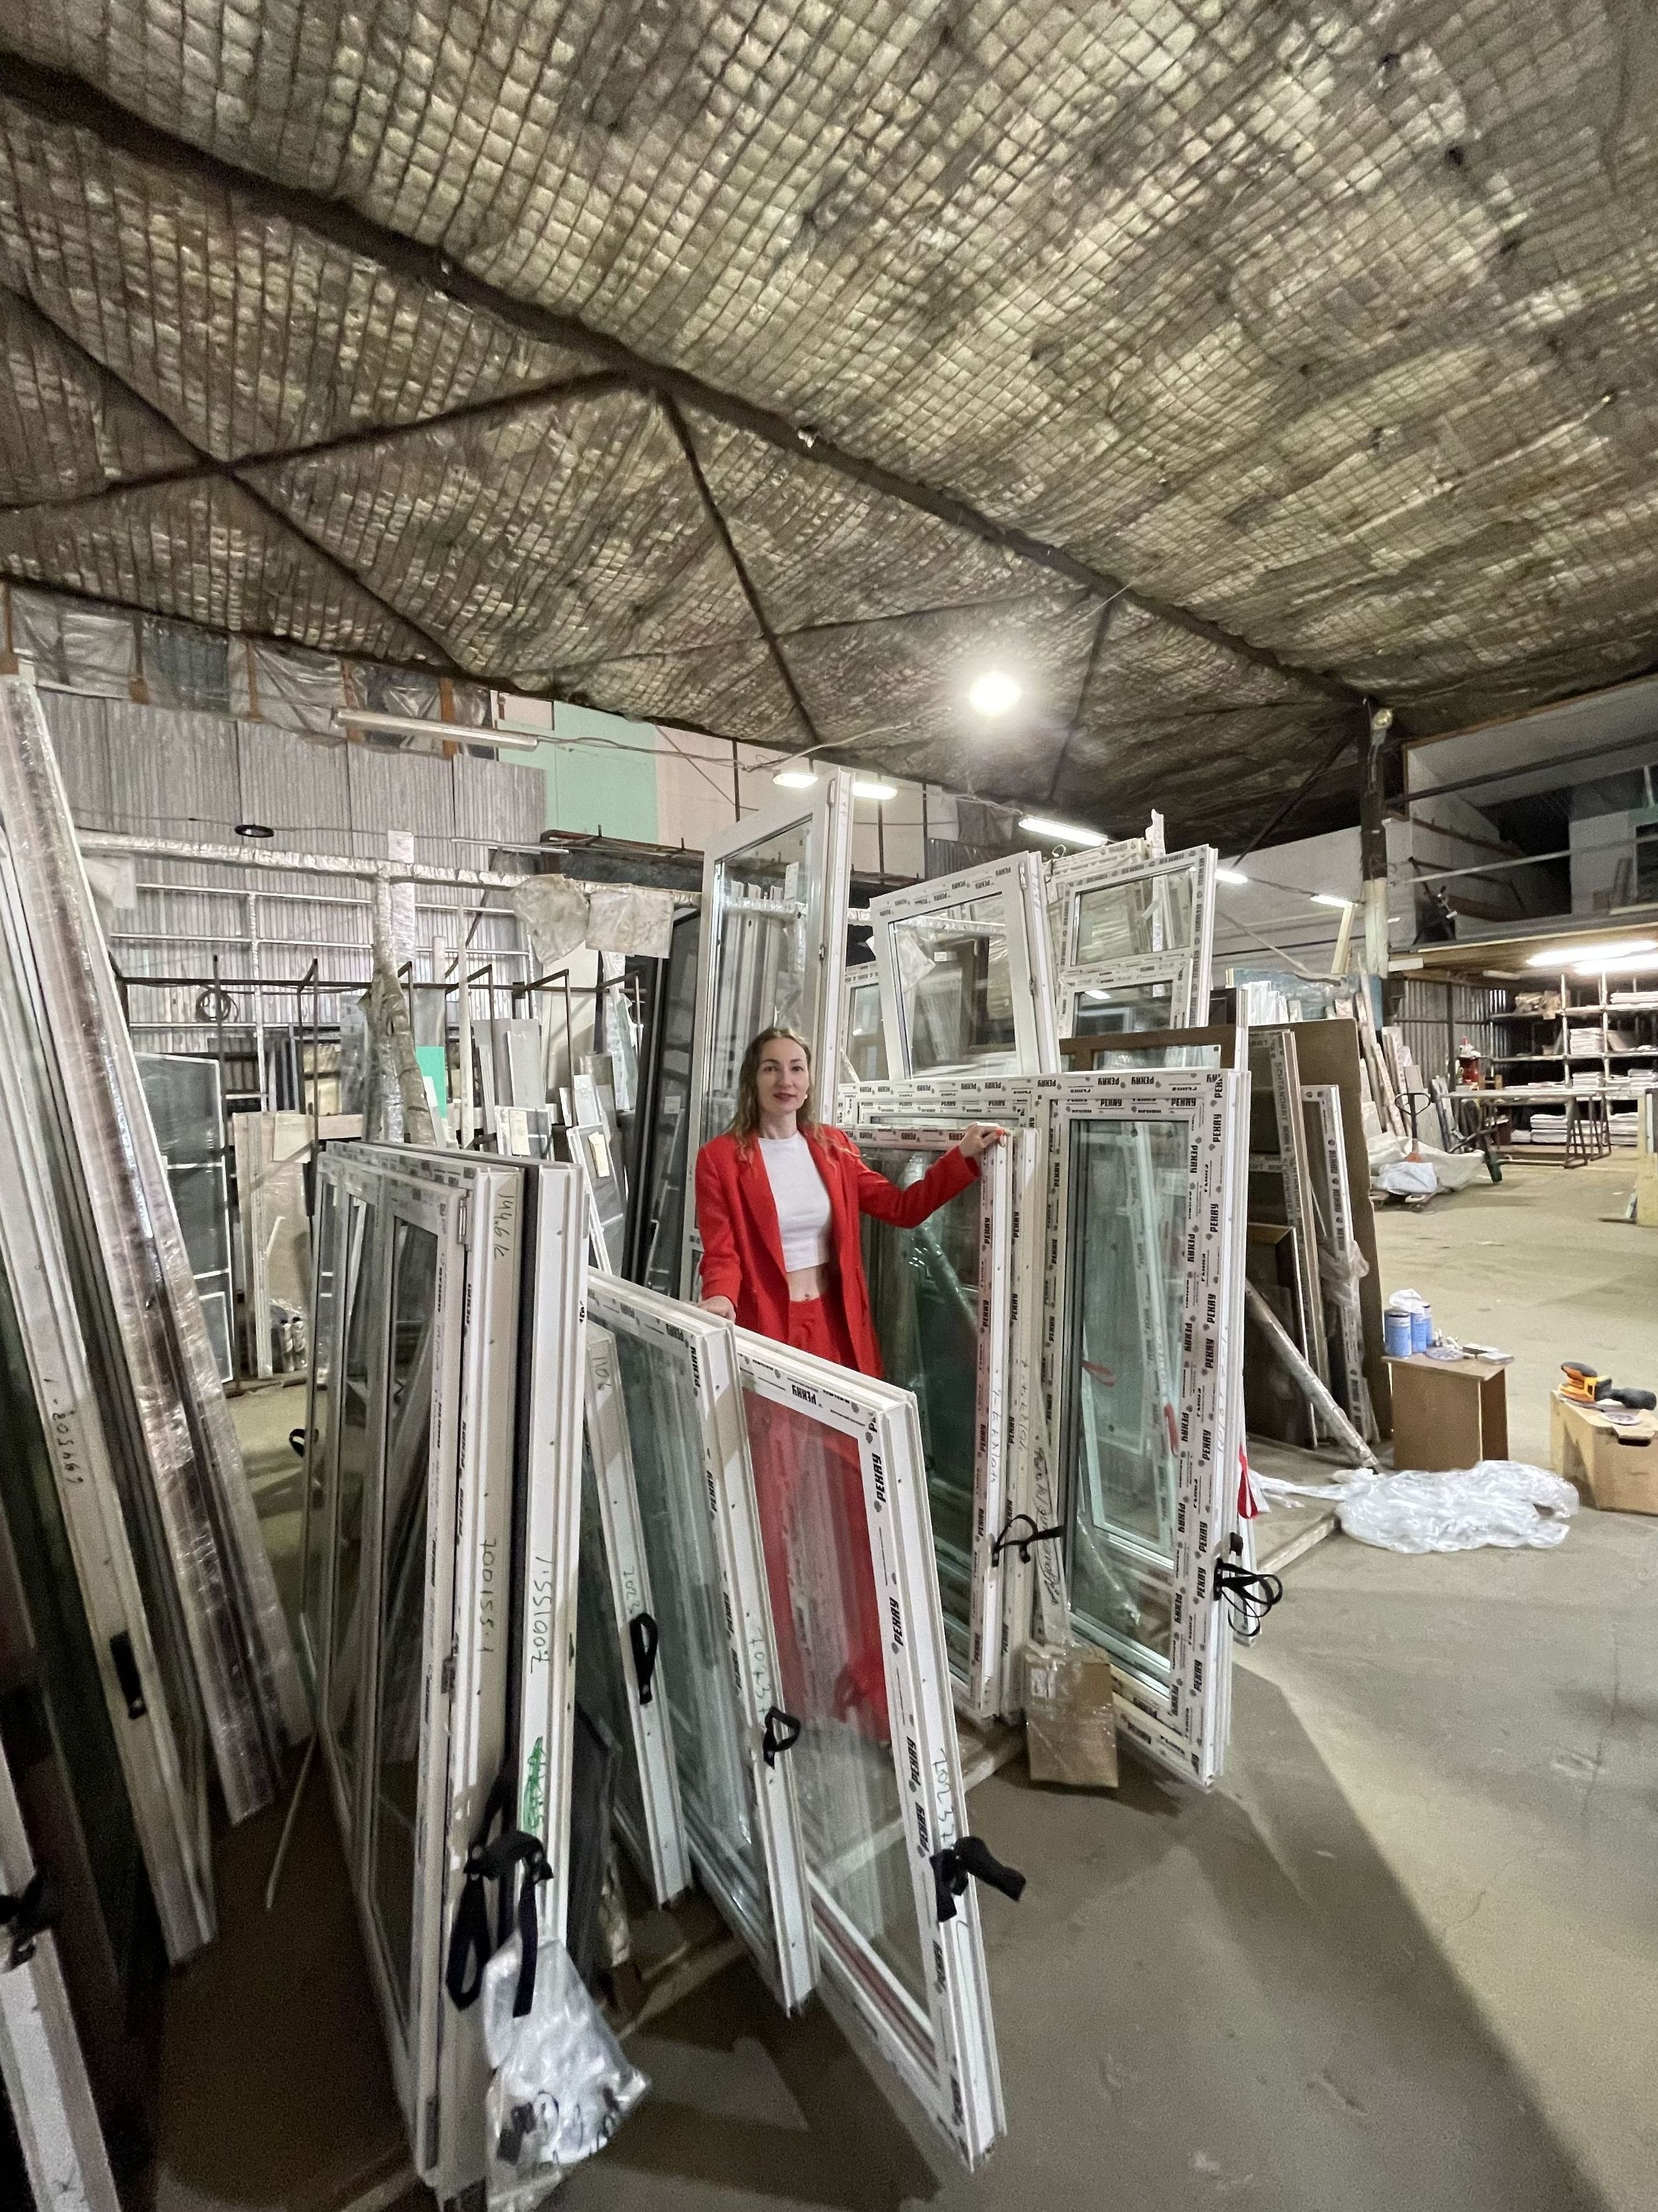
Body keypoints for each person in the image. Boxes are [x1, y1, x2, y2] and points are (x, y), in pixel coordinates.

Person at [694, 1025, 1003, 1375]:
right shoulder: (719, 1159)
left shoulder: (833, 1148)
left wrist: (961, 1157)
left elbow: (901, 1208)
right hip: (766, 1323)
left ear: (808, 1082)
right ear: (752, 1079)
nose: (786, 1080)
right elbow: (722, 1252)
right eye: (771, 1068)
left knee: (847, 1412)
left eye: (797, 1068)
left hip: (835, 1322)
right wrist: (720, 1296)